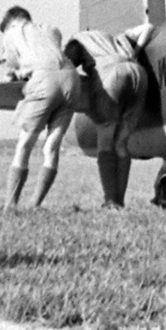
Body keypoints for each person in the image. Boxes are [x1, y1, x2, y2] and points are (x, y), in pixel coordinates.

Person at [0, 6, 82, 210]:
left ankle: (10, 206)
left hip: (45, 80)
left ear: (11, 22)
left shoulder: (12, 33)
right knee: (51, 146)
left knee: (24, 145)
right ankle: (35, 205)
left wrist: (13, 74)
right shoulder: (50, 29)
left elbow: (10, 70)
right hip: (72, 80)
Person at [65, 23, 154, 208]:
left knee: (105, 140)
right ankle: (119, 201)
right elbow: (149, 27)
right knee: (121, 142)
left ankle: (110, 200)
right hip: (138, 72)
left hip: (112, 75)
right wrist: (135, 53)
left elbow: (66, 67)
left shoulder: (77, 40)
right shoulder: (116, 37)